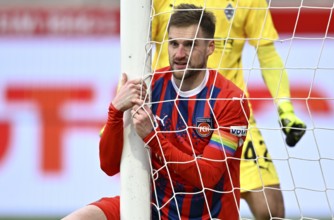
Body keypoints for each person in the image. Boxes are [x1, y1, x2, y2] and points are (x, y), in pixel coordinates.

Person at [62, 4, 250, 219]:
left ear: (210, 48)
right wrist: (115, 111)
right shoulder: (151, 86)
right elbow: (109, 166)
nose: (179, 54)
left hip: (208, 215)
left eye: (189, 45)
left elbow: (207, 176)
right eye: (173, 44)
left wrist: (153, 137)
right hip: (151, 208)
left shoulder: (230, 100)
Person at [151, 1, 306, 220]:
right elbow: (137, 53)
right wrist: (122, 115)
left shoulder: (249, 2)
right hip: (173, 116)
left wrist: (285, 107)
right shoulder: (156, 3)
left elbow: (267, 54)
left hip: (231, 117)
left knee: (270, 209)